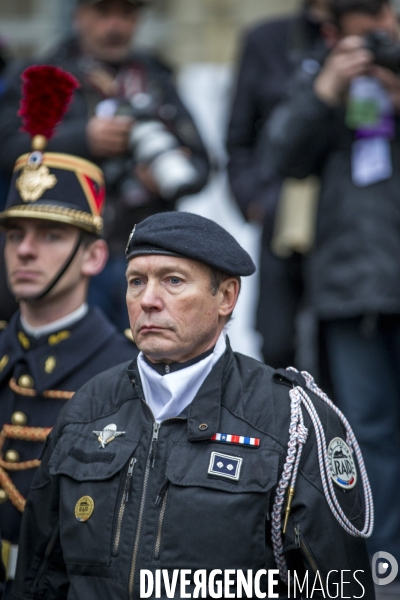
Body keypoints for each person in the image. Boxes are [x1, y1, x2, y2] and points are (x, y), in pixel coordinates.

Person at [13, 211, 375, 599]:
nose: (148, 300)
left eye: (173, 280)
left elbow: (339, 587)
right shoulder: (87, 408)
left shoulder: (288, 419)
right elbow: (38, 578)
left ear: (226, 297)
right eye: (136, 282)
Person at [266, 0, 400, 585]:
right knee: (368, 437)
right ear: (334, 30)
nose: (382, 29)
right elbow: (278, 158)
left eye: (388, 16)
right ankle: (385, 566)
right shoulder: (318, 77)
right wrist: (328, 90)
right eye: (367, 19)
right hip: (350, 288)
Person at [0, 65, 137, 595]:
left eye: (51, 235)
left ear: (94, 256)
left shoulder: (121, 373)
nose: (26, 250)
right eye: (15, 234)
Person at [0, 0, 210, 332]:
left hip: (146, 252)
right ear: (78, 15)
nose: (116, 26)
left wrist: (161, 176)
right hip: (70, 253)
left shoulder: (156, 78)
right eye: (103, 12)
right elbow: (8, 147)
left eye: (126, 14)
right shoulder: (43, 74)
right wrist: (84, 140)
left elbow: (201, 164)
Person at [226, 0, 328, 368]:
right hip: (280, 214)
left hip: (349, 220)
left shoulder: (374, 36)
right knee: (278, 339)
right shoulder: (267, 40)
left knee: (340, 345)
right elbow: (238, 136)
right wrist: (256, 199)